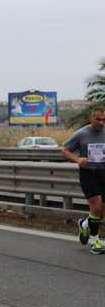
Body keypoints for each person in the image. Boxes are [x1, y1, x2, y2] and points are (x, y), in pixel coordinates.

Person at [62, 105, 105, 254]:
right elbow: (64, 150)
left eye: (103, 119)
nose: (101, 122)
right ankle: (95, 241)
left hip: (103, 173)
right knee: (96, 206)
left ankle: (85, 223)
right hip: (88, 173)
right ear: (90, 118)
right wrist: (78, 159)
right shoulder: (81, 134)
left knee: (101, 210)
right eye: (97, 119)